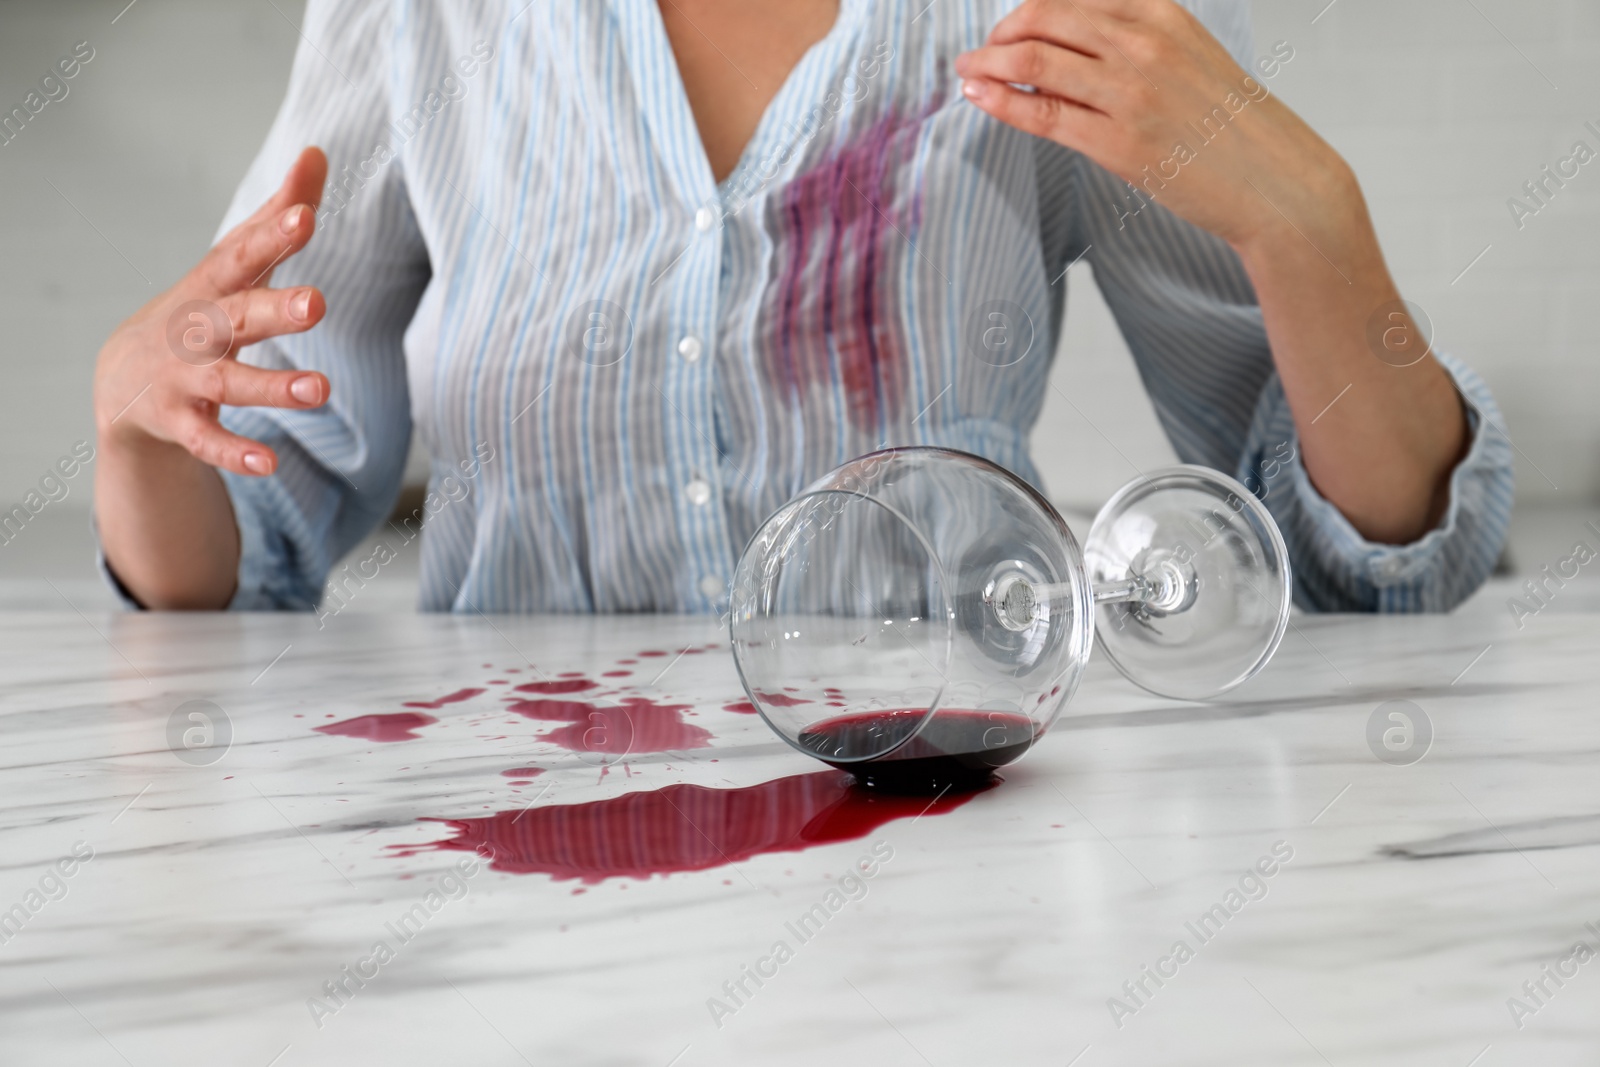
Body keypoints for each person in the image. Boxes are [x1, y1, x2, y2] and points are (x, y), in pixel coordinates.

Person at [92, 0, 1513, 615]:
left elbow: (1370, 565)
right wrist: (142, 430)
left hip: (950, 842)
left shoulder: (1063, 11)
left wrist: (1314, 222)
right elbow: (251, 549)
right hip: (514, 861)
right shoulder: (423, 21)